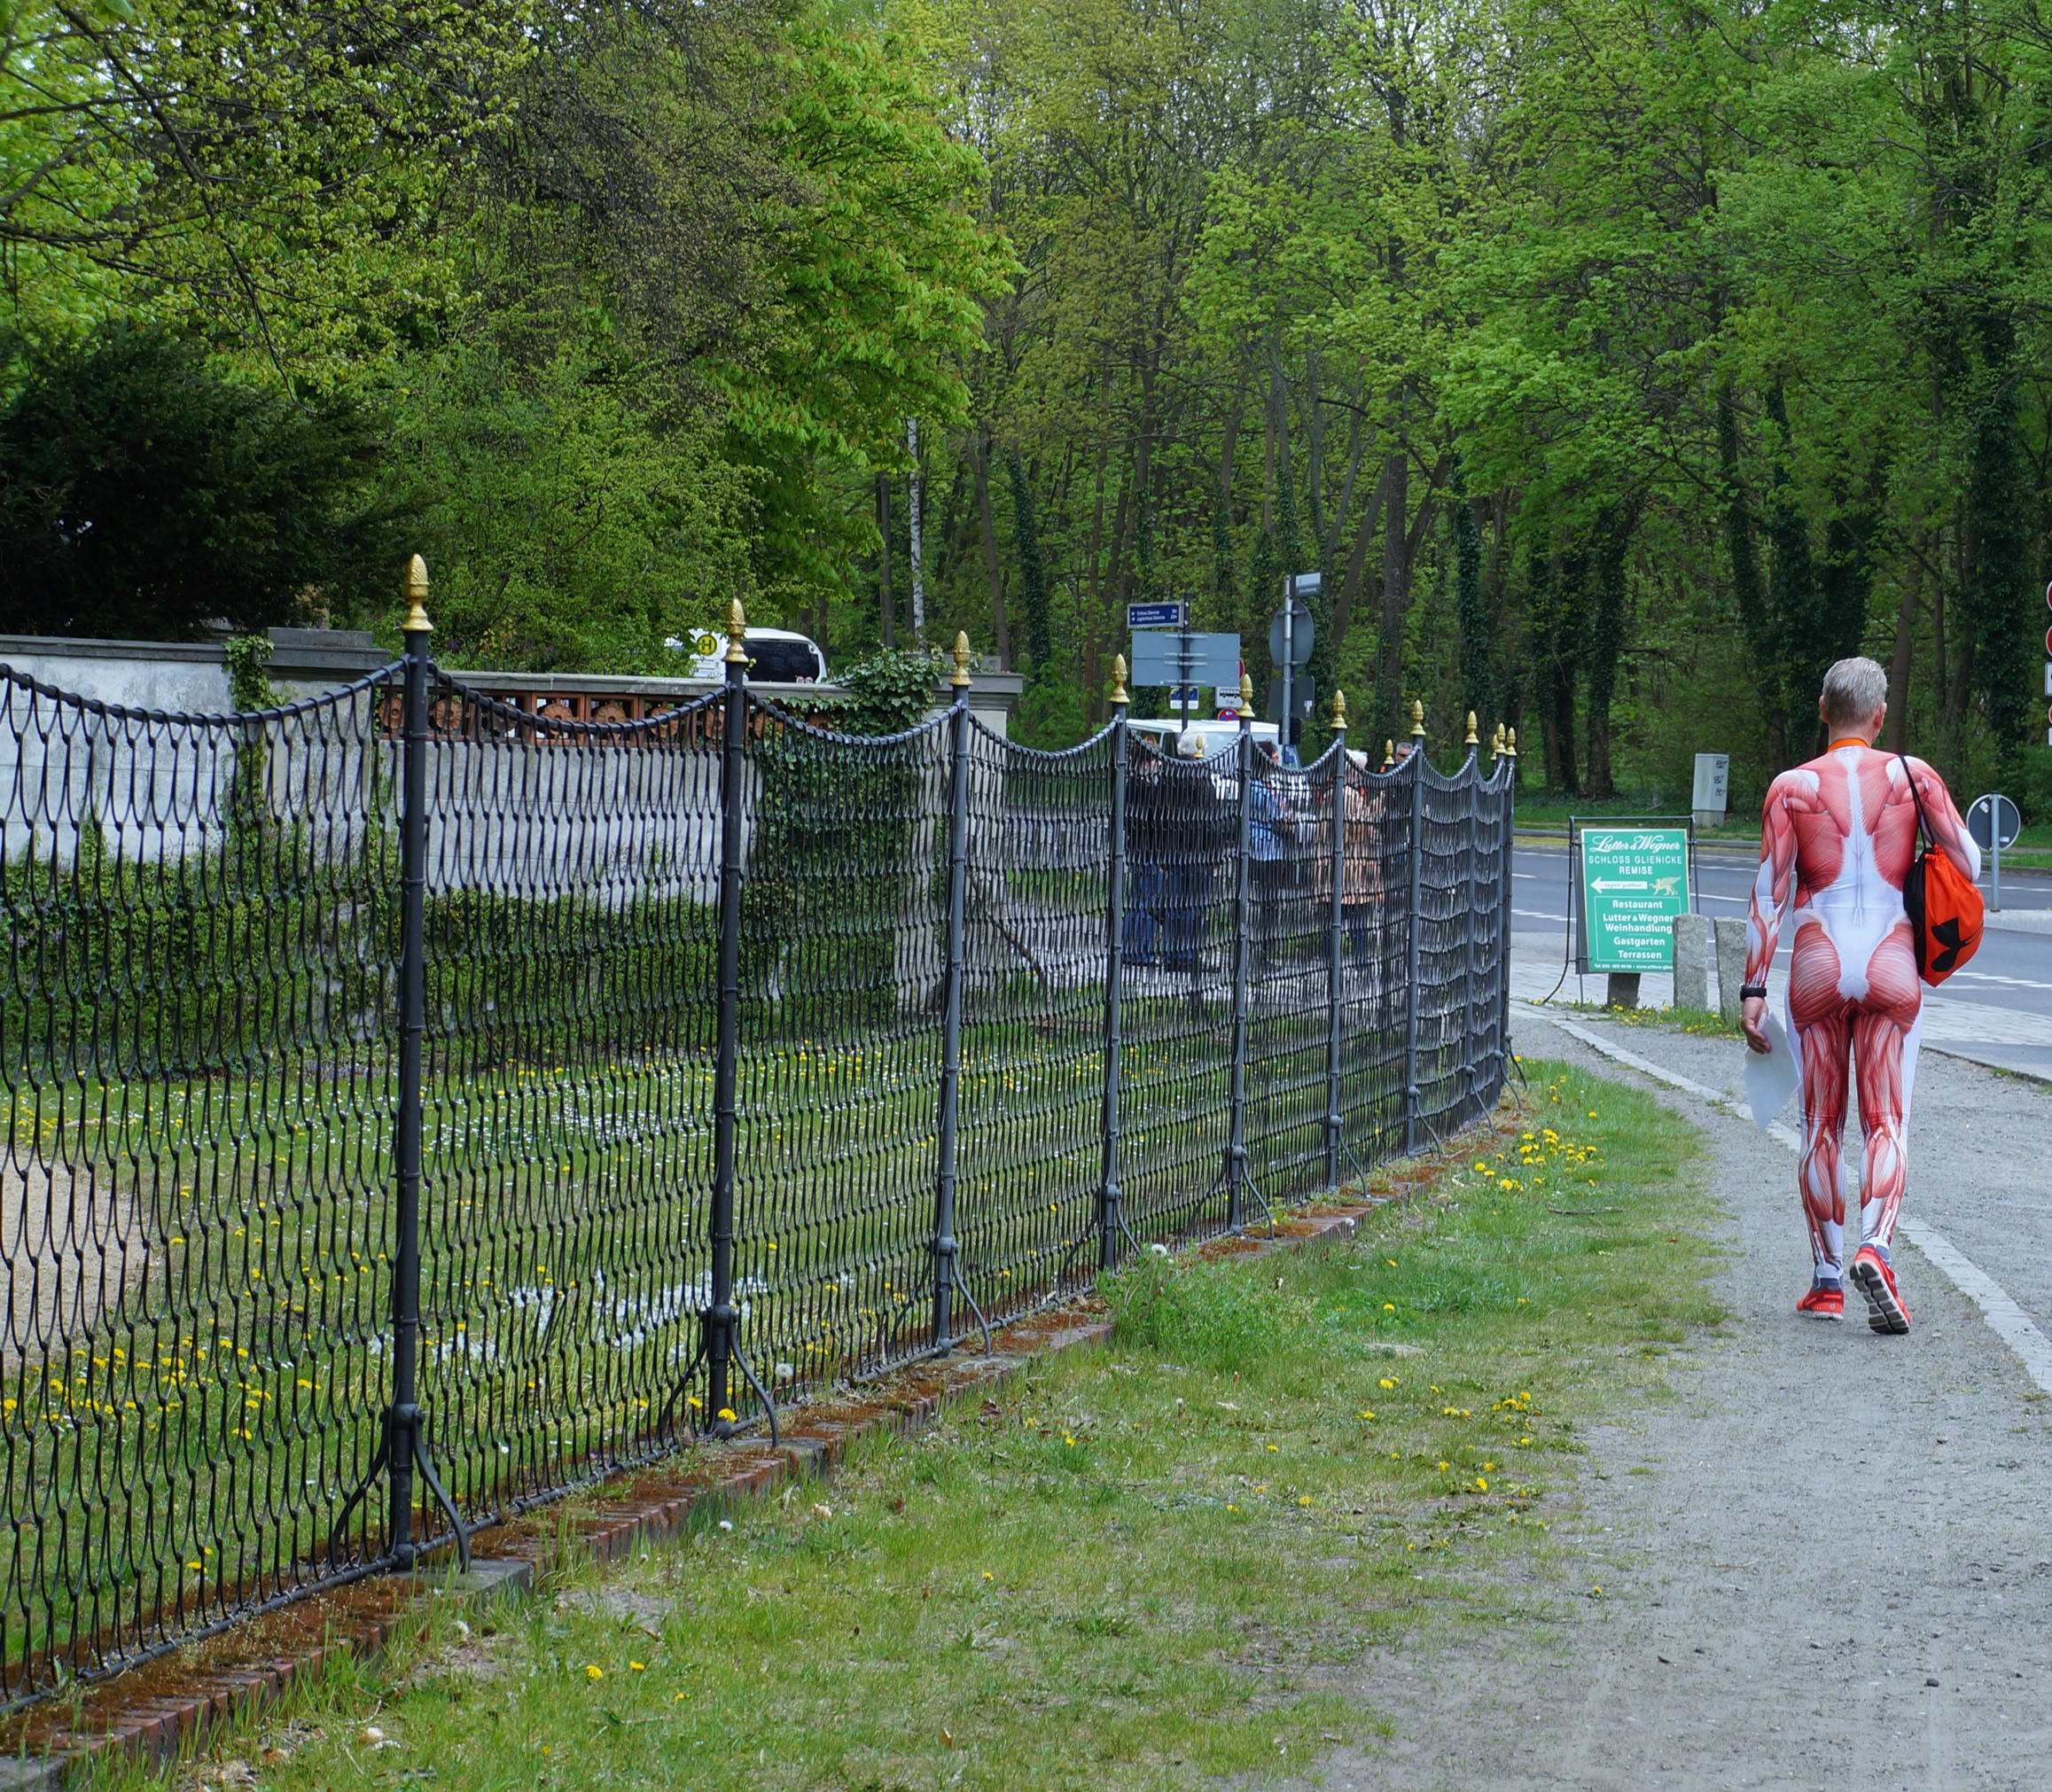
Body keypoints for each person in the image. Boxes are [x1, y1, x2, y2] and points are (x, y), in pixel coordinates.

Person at [1741, 656, 1979, 1334]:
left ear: (1822, 711)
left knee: (1819, 1125)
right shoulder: (1914, 775)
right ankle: (1877, 1248)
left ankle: (1825, 1282)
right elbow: (1968, 861)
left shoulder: (1789, 787)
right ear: (1878, 716)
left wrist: (1753, 988)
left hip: (1817, 960)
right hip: (1890, 958)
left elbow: (1769, 894)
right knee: (1885, 1123)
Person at [1247, 741, 1292, 973]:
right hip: (1266, 850)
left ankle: (1262, 952)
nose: (1277, 760)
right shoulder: (1259, 788)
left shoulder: (1262, 785)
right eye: (1274, 755)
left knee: (1267, 905)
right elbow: (1280, 817)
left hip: (1266, 848)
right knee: (1267, 904)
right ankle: (1260, 954)